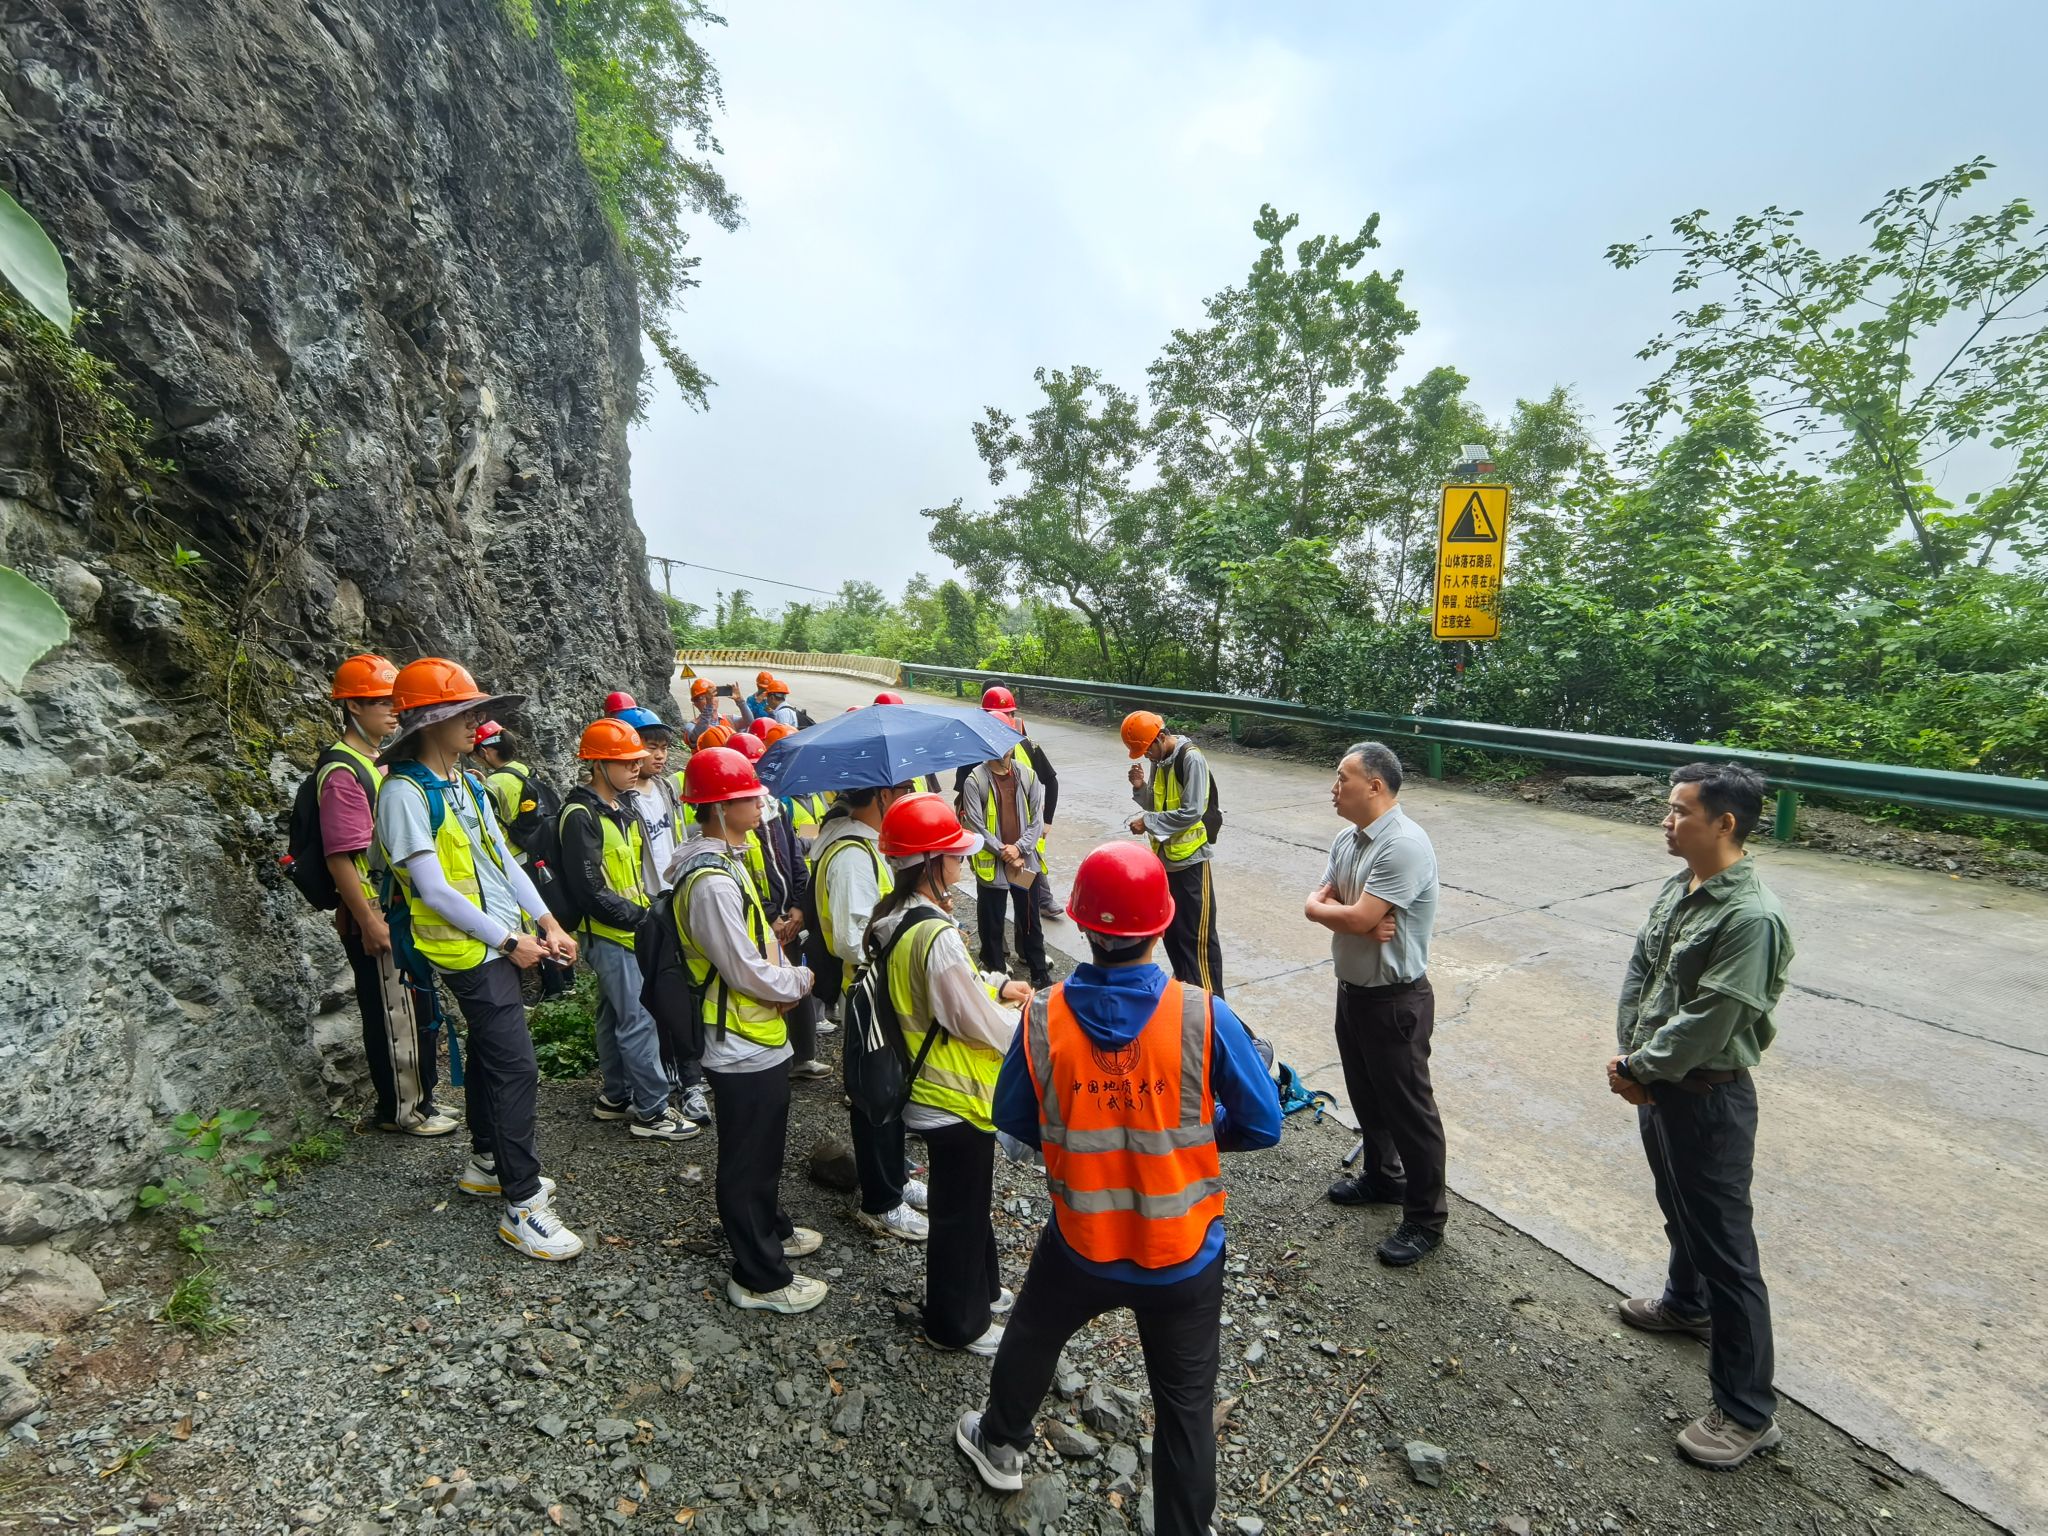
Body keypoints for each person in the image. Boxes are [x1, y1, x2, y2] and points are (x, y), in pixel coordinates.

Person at [954, 842, 1281, 1535]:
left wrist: (1085, 1119)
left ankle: (1001, 1444)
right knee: (1185, 1406)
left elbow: (1014, 1116)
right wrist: (1185, 1133)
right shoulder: (1203, 1015)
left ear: (1080, 925)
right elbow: (1263, 1123)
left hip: (1082, 1243)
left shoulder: (1042, 1017)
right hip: (1182, 1253)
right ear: (1161, 926)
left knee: (1033, 1334)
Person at [1609, 762, 1794, 1470]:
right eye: (1669, 808)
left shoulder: (1752, 917)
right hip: (1660, 1082)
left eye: (1681, 811)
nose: (1667, 820)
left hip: (1709, 1095)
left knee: (1727, 1251)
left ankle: (1747, 1413)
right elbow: (1642, 970)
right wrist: (1635, 1060)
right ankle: (1685, 1306)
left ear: (1725, 823)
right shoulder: (1680, 886)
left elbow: (1714, 1017)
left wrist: (1641, 1068)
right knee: (1679, 1209)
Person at [375, 658, 583, 1260]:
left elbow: (503, 863)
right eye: (465, 713)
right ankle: (523, 1205)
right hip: (469, 952)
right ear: (427, 722)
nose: (479, 723)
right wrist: (509, 941)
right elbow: (433, 889)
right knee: (516, 1068)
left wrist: (547, 922)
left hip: (493, 943)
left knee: (496, 1058)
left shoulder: (465, 783)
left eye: (478, 712)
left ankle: (489, 1161)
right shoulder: (404, 793)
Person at [866, 794, 1033, 1355]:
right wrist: (1027, 1029)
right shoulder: (932, 934)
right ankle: (956, 1325)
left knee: (967, 1203)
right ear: (929, 863)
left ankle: (984, 1292)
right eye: (954, 855)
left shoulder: (898, 918)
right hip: (951, 1096)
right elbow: (970, 1018)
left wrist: (997, 985)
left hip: (929, 1088)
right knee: (959, 1214)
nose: (962, 862)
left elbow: (948, 991)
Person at [669, 747, 828, 1314]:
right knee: (747, 1156)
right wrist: (798, 981)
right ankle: (759, 1275)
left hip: (754, 1032)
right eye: (746, 796)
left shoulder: (727, 861)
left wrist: (782, 979)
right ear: (717, 807)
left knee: (763, 1147)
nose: (760, 803)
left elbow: (752, 948)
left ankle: (771, 1227)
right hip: (736, 1040)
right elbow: (742, 969)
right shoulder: (710, 882)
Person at [1303, 743, 1446, 1267]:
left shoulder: (1403, 845)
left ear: (1375, 786)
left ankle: (1426, 1219)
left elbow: (1358, 916)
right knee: (1366, 1095)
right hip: (1354, 991)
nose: (1334, 787)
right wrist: (1334, 912)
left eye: (1343, 778)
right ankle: (1383, 1178)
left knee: (1410, 1112)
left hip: (1395, 1000)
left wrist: (1347, 915)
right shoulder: (1348, 839)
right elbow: (1321, 903)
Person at [321, 655, 454, 1137]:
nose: (393, 710)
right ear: (353, 705)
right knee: (392, 1009)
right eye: (380, 701)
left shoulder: (375, 765)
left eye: (395, 701)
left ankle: (419, 1097)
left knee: (412, 1006)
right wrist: (369, 920)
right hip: (375, 912)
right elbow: (341, 856)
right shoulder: (343, 771)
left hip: (396, 908)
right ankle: (403, 1110)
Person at [557, 718, 697, 1143]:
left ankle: (616, 1096)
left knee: (613, 1014)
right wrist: (641, 917)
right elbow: (589, 889)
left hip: (625, 931)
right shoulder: (580, 815)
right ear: (598, 764)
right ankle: (652, 1110)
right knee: (637, 1019)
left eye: (637, 760)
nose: (636, 767)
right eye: (626, 762)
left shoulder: (619, 808)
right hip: (610, 934)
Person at [808, 784, 929, 1242]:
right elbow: (849, 938)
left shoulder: (865, 846)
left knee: (892, 1090)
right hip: (868, 994)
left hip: (882, 990)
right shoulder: (851, 855)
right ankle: (881, 1201)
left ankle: (895, 1176)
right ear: (880, 795)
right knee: (875, 1098)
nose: (908, 795)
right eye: (902, 790)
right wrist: (908, 944)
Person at [1122, 712, 1225, 996]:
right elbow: (1158, 804)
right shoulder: (1160, 761)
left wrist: (1148, 822)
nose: (1147, 757)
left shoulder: (1191, 759)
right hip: (1165, 862)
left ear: (1160, 737)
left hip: (1191, 863)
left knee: (1197, 940)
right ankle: (1187, 997)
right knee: (1174, 935)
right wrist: (1140, 788)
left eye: (1148, 750)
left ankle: (1212, 1005)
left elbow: (1192, 811)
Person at [472, 719, 574, 999]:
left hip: (514, 861)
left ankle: (551, 986)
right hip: (537, 853)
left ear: (485, 752)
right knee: (547, 915)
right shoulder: (523, 770)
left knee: (531, 925)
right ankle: (568, 977)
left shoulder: (494, 784)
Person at [960, 751, 1053, 989]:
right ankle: (995, 971)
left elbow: (1037, 819)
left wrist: (1019, 848)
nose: (1004, 750)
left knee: (1030, 919)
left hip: (1024, 861)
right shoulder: (975, 780)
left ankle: (1039, 971)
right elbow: (975, 825)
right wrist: (1005, 851)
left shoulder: (1028, 775)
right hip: (994, 864)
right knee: (992, 921)